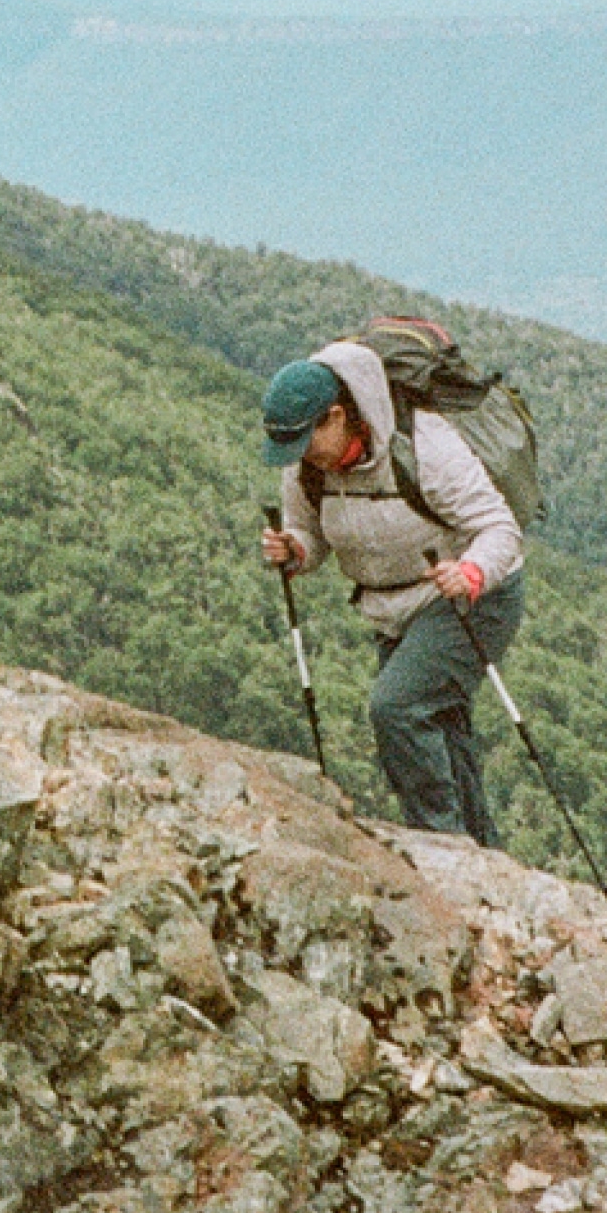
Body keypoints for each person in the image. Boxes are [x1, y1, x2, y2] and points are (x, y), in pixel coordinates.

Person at [259, 342, 523, 842]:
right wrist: (293, 550)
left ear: (336, 417)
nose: (297, 460)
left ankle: (440, 844)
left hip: (472, 598)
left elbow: (500, 527)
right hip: (391, 607)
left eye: (304, 442)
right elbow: (312, 535)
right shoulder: (305, 464)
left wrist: (470, 573)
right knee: (441, 728)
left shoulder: (425, 449)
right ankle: (481, 853)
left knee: (397, 707)